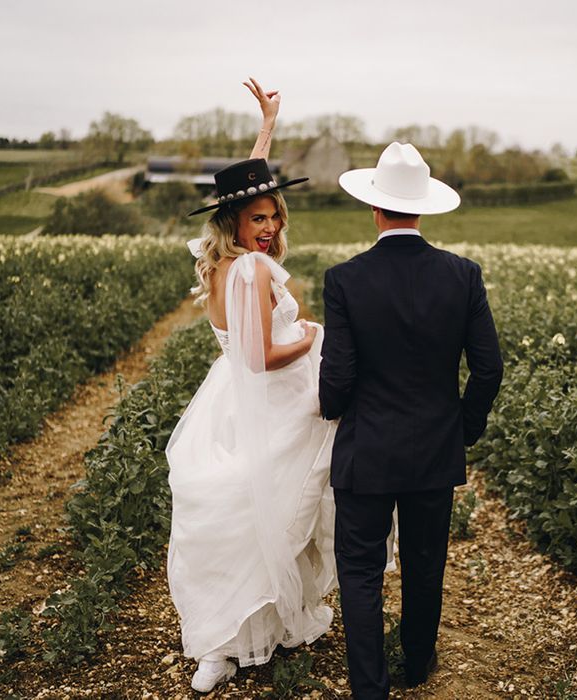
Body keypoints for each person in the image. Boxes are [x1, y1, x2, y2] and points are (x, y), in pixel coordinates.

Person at [166, 79, 396, 694]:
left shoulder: (220, 260)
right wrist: (311, 334)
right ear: (236, 224)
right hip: (269, 396)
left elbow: (247, 181)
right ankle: (224, 640)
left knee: (254, 513)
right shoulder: (248, 271)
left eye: (273, 216)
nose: (268, 226)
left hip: (234, 400)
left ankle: (237, 636)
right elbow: (261, 355)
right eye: (257, 218)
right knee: (263, 511)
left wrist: (266, 126)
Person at [320, 142, 504, 698]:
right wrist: (461, 429)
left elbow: (340, 376)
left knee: (359, 570)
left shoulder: (344, 279)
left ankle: (369, 688)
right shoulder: (463, 275)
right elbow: (489, 369)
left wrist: (332, 410)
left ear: (374, 208)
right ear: (422, 207)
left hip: (366, 449)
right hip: (434, 450)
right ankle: (418, 666)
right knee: (425, 565)